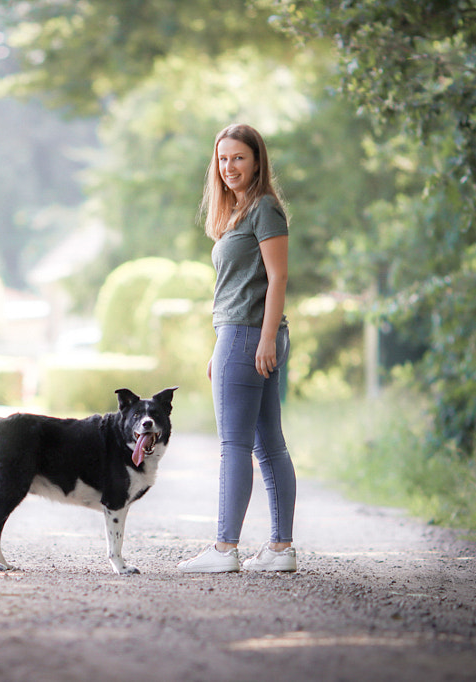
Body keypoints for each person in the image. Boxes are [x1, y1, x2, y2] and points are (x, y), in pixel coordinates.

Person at [177, 123, 297, 573]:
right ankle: (280, 550)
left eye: (238, 158)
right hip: (242, 334)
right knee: (269, 447)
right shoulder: (241, 211)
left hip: (249, 334)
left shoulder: (264, 208)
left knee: (234, 445)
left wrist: (262, 339)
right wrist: (223, 346)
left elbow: (279, 277)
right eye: (223, 159)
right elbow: (241, 286)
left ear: (257, 161)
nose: (229, 167)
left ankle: (225, 549)